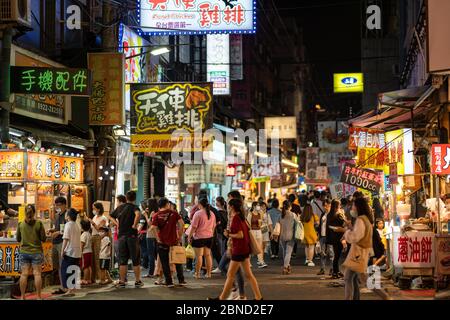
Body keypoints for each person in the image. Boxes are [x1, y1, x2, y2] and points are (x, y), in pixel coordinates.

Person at [208, 198, 263, 300]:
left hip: (239, 250)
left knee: (230, 275)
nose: (227, 207)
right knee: (248, 275)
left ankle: (221, 299)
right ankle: (258, 297)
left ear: (232, 207)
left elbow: (240, 235)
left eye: (228, 205)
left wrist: (228, 234)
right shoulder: (242, 218)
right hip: (244, 249)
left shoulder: (236, 218)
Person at [110, 190, 143, 288]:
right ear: (135, 198)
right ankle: (137, 281)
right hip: (132, 236)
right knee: (135, 259)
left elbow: (110, 216)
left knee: (122, 260)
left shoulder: (120, 207)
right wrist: (134, 224)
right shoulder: (135, 207)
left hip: (121, 237)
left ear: (126, 197)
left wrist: (117, 223)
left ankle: (122, 281)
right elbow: (138, 214)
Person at [343, 197, 374, 300]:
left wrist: (346, 232)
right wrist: (351, 227)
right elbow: (359, 233)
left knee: (364, 279)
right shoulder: (366, 219)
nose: (352, 208)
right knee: (348, 278)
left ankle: (385, 296)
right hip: (360, 253)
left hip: (358, 254)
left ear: (358, 207)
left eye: (353, 205)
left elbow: (356, 237)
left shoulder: (361, 219)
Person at [150, 197, 186, 287]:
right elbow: (181, 223)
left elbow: (153, 228)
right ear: (167, 204)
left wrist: (157, 238)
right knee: (177, 260)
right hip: (174, 240)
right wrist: (180, 234)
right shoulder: (174, 213)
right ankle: (181, 279)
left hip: (162, 242)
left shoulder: (156, 215)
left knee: (164, 262)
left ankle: (169, 282)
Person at [16, 205, 46, 300]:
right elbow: (43, 238)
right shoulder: (39, 224)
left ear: (25, 212)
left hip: (24, 252)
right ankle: (38, 296)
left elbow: (18, 239)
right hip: (36, 252)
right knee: (37, 274)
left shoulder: (20, 224)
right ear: (34, 212)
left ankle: (22, 296)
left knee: (24, 274)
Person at [188, 197, 216, 278]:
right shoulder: (212, 213)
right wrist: (211, 234)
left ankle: (197, 274)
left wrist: (189, 236)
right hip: (209, 237)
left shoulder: (198, 213)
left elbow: (193, 227)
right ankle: (209, 273)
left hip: (199, 237)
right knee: (208, 255)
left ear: (200, 204)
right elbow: (214, 226)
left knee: (199, 256)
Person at [60, 209, 82, 296]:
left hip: (69, 251)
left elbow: (66, 239)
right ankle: (72, 289)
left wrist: (62, 251)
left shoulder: (68, 225)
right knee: (73, 270)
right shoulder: (77, 225)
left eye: (66, 214)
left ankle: (69, 289)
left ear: (68, 216)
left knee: (65, 270)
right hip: (77, 252)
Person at [49, 197, 68, 293]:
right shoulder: (57, 216)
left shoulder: (67, 215)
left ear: (65, 205)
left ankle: (65, 287)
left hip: (62, 243)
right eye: (56, 205)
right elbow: (57, 228)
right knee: (57, 266)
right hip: (55, 243)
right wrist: (52, 231)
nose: (57, 207)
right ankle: (62, 286)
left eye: (59, 205)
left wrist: (58, 233)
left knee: (62, 265)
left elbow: (67, 229)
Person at [326, 199, 346, 279]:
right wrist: (343, 215)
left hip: (332, 237)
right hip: (338, 237)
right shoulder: (338, 215)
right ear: (337, 206)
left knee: (336, 254)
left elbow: (329, 226)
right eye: (339, 205)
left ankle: (336, 271)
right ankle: (335, 272)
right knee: (337, 255)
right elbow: (343, 223)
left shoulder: (329, 215)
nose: (340, 206)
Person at [89, 202, 108, 283]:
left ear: (98, 209)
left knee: (98, 258)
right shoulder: (95, 216)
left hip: (98, 238)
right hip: (92, 237)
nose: (93, 210)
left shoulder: (103, 218)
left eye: (94, 208)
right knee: (92, 258)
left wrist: (92, 223)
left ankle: (101, 277)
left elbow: (100, 229)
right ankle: (93, 277)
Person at [279, 201, 297, 275]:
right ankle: (285, 267)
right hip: (290, 236)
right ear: (290, 207)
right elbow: (298, 223)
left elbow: (277, 224)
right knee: (288, 253)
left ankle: (287, 265)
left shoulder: (280, 214)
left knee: (285, 252)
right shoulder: (293, 215)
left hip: (282, 236)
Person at [247, 202, 267, 268]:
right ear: (253, 206)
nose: (258, 207)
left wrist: (261, 223)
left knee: (259, 247)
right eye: (257, 205)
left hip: (259, 231)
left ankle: (261, 261)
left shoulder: (260, 213)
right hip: (252, 231)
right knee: (251, 247)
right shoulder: (250, 214)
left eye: (259, 205)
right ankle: (248, 262)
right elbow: (248, 224)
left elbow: (262, 222)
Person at [318, 199, 334, 276]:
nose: (325, 207)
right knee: (322, 253)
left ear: (330, 205)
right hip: (322, 235)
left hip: (330, 236)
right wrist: (318, 235)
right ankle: (322, 269)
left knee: (331, 253)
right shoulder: (323, 214)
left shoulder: (332, 215)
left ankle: (332, 269)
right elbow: (320, 225)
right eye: (324, 205)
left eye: (326, 205)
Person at [143, 198, 159, 278]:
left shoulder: (153, 213)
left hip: (151, 235)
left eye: (148, 204)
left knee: (151, 255)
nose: (147, 205)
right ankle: (157, 271)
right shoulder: (158, 211)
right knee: (156, 254)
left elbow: (150, 224)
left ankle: (151, 272)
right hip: (156, 236)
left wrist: (146, 215)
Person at [110, 195, 125, 268]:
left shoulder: (119, 209)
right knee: (121, 254)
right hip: (122, 235)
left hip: (119, 236)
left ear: (120, 201)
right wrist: (116, 223)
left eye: (117, 201)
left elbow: (110, 217)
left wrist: (116, 224)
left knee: (119, 253)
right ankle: (122, 270)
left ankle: (121, 270)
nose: (117, 203)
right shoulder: (129, 209)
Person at [80, 220, 93, 285]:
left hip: (85, 252)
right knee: (89, 266)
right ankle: (89, 279)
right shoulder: (89, 234)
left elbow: (82, 244)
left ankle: (85, 279)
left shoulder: (83, 234)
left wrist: (80, 252)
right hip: (90, 252)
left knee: (85, 267)